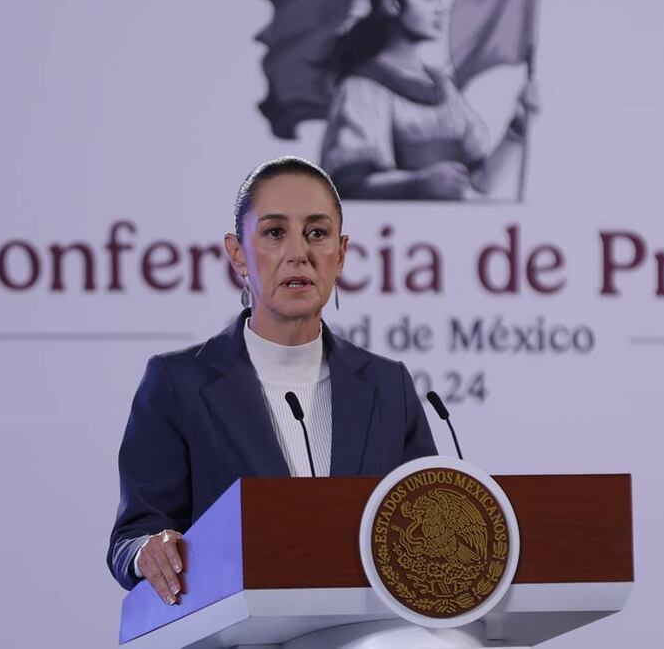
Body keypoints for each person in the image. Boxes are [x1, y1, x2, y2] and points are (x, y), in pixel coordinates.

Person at [107, 156, 438, 603]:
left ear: (340, 254)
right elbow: (134, 535)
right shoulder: (177, 383)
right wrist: (148, 549)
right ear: (237, 254)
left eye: (316, 233)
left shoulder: (387, 385)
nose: (298, 253)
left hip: (365, 628)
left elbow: (428, 521)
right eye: (275, 232)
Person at [320, 0, 539, 200]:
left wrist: (517, 128)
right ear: (392, 5)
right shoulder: (362, 87)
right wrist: (417, 183)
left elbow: (481, 182)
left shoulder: (444, 88)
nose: (440, 9)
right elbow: (349, 184)